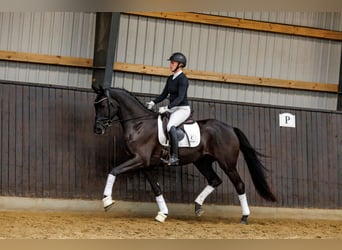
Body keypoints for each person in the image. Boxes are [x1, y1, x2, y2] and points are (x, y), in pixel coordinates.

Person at [146, 52, 191, 166]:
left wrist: (167, 107)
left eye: (173, 63)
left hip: (182, 109)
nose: (170, 65)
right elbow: (163, 95)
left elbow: (180, 98)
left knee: (170, 126)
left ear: (180, 65)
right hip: (173, 108)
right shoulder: (170, 78)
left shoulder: (183, 79)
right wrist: (153, 102)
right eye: (171, 63)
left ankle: (175, 157)